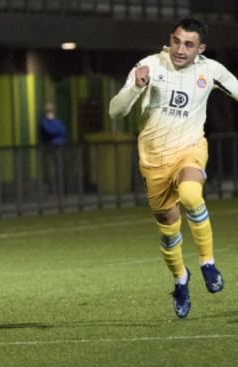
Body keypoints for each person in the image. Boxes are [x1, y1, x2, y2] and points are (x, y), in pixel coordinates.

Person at [109, 18, 236, 318]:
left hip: (189, 150)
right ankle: (181, 280)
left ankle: (207, 263)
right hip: (154, 162)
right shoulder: (149, 66)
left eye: (189, 44)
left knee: (192, 195)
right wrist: (135, 89)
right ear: (171, 39)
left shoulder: (210, 70)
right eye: (177, 41)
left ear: (200, 48)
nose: (181, 49)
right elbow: (115, 111)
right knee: (169, 231)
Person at [38, 102, 67, 194]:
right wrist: (57, 134)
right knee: (49, 169)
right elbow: (50, 131)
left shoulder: (56, 121)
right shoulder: (44, 122)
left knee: (59, 167)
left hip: (58, 146)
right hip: (49, 147)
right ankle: (51, 188)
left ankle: (60, 188)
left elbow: (63, 130)